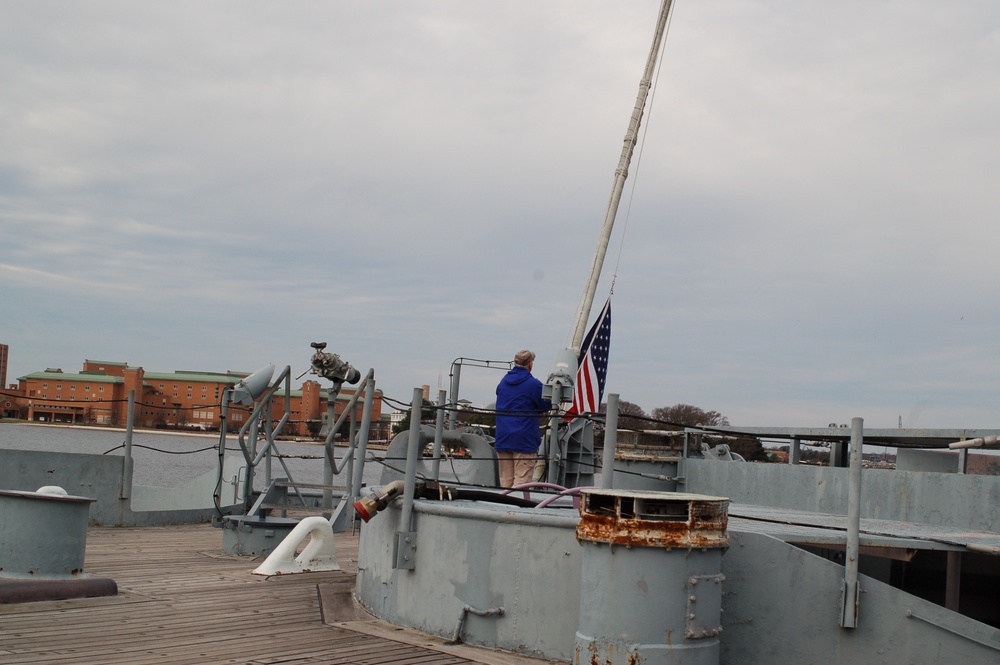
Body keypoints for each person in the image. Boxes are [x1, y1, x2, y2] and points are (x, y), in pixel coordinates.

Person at [494, 349, 551, 488]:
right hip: (523, 439)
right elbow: (545, 405)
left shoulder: (503, 382)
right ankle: (516, 507)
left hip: (503, 438)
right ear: (530, 364)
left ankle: (503, 507)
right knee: (522, 481)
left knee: (505, 482)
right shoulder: (533, 385)